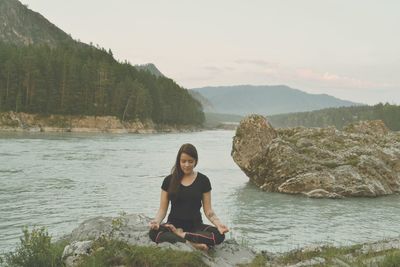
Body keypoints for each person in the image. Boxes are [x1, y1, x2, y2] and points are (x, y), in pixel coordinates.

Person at [149, 143, 229, 250]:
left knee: (220, 235)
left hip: (196, 226)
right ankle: (194, 244)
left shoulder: (203, 180)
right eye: (183, 161)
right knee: (153, 233)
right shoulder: (168, 181)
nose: (187, 165)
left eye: (190, 161)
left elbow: (208, 211)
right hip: (173, 225)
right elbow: (162, 210)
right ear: (179, 161)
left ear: (196, 161)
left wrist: (219, 224)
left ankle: (181, 236)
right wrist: (156, 222)